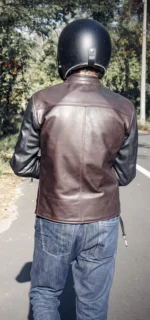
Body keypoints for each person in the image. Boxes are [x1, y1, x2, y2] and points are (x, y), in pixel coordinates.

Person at [10, 19, 138, 320]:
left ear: (65, 53)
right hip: (103, 221)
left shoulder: (42, 101)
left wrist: (56, 170)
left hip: (55, 216)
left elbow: (22, 163)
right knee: (93, 306)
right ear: (102, 56)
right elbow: (125, 174)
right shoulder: (124, 108)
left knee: (45, 294)